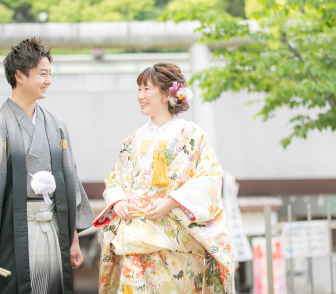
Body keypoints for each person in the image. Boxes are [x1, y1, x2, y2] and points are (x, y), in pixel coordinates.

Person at [0, 37, 95, 294]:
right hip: (13, 231)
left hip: (53, 227)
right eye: (42, 73)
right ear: (19, 75)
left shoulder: (56, 126)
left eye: (49, 73)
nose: (48, 80)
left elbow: (70, 182)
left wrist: (73, 240)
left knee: (50, 288)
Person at [95, 62, 235, 294]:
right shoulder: (132, 139)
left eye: (146, 89)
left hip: (176, 239)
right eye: (138, 89)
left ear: (166, 94)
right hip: (135, 235)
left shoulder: (190, 135)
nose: (140, 96)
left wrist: (171, 202)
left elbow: (209, 177)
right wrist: (118, 200)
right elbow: (115, 178)